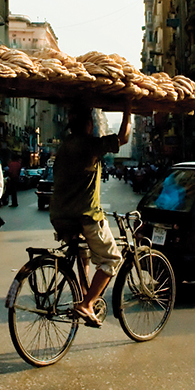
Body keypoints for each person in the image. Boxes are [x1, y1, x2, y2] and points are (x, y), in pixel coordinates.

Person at [50, 104, 132, 328]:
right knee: (112, 258)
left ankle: (84, 292)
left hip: (58, 215)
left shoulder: (65, 145)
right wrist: (128, 108)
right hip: (85, 214)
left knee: (82, 251)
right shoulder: (89, 145)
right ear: (88, 125)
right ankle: (87, 303)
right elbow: (123, 138)